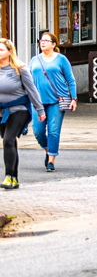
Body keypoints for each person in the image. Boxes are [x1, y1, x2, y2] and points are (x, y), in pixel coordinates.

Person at [0, 38, 46, 190]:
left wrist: (40, 110)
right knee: (10, 143)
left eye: (1, 50)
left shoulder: (20, 69)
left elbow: (32, 90)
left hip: (19, 109)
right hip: (2, 111)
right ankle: (14, 178)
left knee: (8, 140)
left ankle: (8, 176)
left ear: (10, 52)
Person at [29, 31, 76, 172]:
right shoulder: (34, 60)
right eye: (41, 40)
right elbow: (28, 82)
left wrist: (73, 99)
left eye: (46, 40)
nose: (42, 42)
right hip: (38, 102)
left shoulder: (61, 59)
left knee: (53, 131)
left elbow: (70, 80)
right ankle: (48, 149)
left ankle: (51, 161)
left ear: (53, 44)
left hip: (57, 100)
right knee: (38, 131)